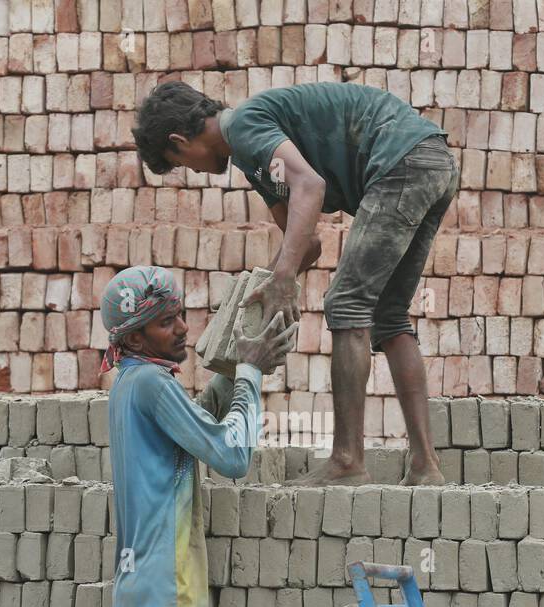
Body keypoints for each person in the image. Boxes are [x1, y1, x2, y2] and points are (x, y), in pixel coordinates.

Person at [134, 80, 458, 487]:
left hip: (403, 161)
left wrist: (285, 278)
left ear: (180, 141)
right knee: (387, 314)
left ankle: (347, 461)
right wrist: (249, 309)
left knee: (346, 304)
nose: (196, 171)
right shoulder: (253, 158)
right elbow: (306, 245)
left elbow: (311, 186)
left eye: (182, 163)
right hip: (432, 161)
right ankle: (425, 467)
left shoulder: (245, 127)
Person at [103, 265, 294, 607]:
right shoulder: (153, 383)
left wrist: (231, 374)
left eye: (180, 316)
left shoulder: (130, 382)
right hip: (166, 600)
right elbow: (231, 456)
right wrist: (249, 373)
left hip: (145, 600)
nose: (183, 329)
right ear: (135, 336)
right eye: (166, 322)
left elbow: (194, 426)